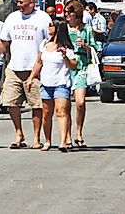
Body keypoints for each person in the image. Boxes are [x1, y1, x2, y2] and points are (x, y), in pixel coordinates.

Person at [0, 0, 50, 149]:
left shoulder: (43, 18)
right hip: (14, 68)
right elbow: (4, 42)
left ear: (31, 3)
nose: (18, 5)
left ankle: (36, 137)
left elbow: (50, 43)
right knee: (11, 103)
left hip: (35, 69)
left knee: (36, 105)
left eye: (21, 3)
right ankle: (19, 133)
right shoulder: (12, 17)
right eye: (17, 2)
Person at [27, 19, 77, 152]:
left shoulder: (66, 47)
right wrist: (31, 78)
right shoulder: (44, 44)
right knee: (46, 114)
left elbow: (73, 66)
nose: (48, 28)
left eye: (51, 26)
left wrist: (65, 56)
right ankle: (48, 141)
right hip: (46, 83)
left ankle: (62, 142)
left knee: (61, 112)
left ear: (58, 29)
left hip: (61, 83)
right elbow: (38, 62)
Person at [65, 0, 98, 148]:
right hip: (65, 66)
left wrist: (85, 45)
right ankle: (66, 135)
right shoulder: (63, 29)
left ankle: (78, 132)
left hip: (81, 66)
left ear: (76, 15)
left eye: (69, 12)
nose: (66, 15)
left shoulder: (86, 30)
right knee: (64, 105)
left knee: (80, 102)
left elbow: (95, 47)